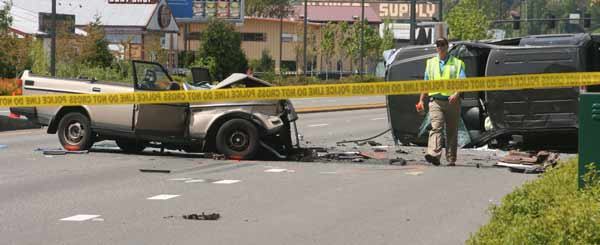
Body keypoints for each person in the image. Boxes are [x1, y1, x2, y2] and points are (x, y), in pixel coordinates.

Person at [416, 38, 466, 166]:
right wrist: (421, 100)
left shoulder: (457, 63)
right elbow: (426, 83)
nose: (440, 47)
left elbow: (463, 82)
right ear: (436, 47)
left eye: (443, 44)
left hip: (452, 102)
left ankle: (451, 158)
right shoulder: (431, 63)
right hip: (436, 102)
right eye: (438, 45)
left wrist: (457, 94)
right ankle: (434, 154)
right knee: (436, 128)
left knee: (451, 131)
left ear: (447, 46)